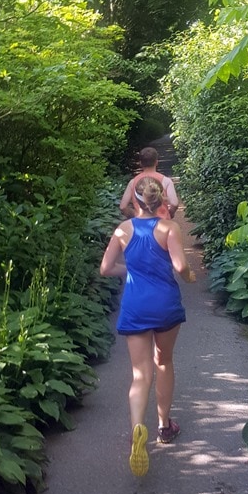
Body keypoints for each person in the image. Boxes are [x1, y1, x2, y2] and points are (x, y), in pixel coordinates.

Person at [100, 176, 196, 477]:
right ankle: (164, 427)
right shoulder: (169, 228)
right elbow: (180, 266)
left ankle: (136, 430)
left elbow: (105, 268)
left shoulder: (123, 230)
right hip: (165, 304)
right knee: (163, 362)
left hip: (136, 306)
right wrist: (190, 276)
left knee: (140, 374)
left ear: (136, 200)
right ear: (160, 200)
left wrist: (131, 269)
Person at [119, 146, 179, 219]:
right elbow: (174, 204)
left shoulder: (133, 182)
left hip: (141, 221)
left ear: (140, 163)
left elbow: (123, 207)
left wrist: (134, 215)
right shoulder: (166, 181)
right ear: (156, 162)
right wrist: (170, 214)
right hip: (162, 221)